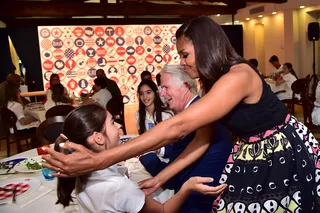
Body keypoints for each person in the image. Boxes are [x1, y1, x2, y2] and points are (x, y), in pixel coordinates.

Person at [43, 16, 320, 213]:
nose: (182, 63)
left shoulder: (238, 76)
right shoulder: (212, 81)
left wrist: (99, 160)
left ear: (206, 47)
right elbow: (201, 139)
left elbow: (179, 127)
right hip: (253, 151)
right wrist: (162, 178)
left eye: (185, 54)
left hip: (282, 150)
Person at [54, 104, 226, 212]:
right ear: (98, 138)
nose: (119, 126)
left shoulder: (81, 177)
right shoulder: (118, 188)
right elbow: (164, 211)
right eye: (113, 122)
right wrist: (187, 188)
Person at [139, 65, 232, 213]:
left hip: (198, 203)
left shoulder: (193, 118)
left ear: (185, 86)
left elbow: (172, 179)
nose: (162, 94)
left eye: (166, 87)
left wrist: (146, 155)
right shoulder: (197, 108)